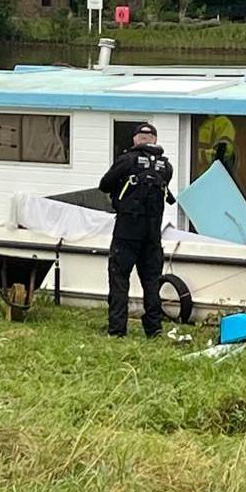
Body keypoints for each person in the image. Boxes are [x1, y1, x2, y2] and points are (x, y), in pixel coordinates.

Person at [98, 123, 175, 337]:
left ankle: (117, 330)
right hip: (152, 232)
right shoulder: (166, 167)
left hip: (126, 231)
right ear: (155, 139)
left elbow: (105, 184)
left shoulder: (126, 160)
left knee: (119, 278)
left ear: (135, 140)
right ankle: (154, 328)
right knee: (151, 281)